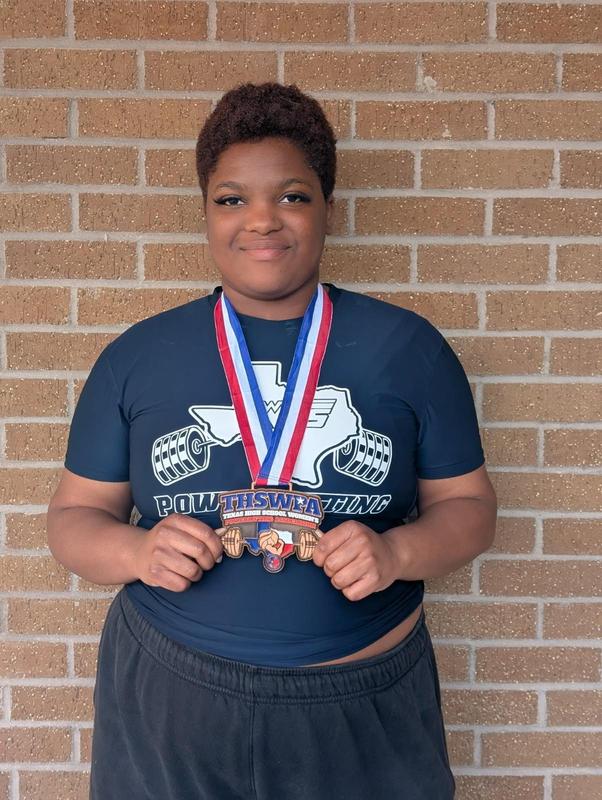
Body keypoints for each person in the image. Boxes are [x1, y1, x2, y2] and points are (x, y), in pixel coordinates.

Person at [46, 81, 497, 800]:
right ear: (205, 213)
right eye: (231, 199)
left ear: (328, 209)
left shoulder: (410, 349)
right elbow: (72, 519)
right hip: (173, 697)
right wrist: (137, 551)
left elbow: (470, 508)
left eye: (292, 195)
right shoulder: (137, 356)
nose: (261, 220)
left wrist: (398, 552)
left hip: (364, 702)